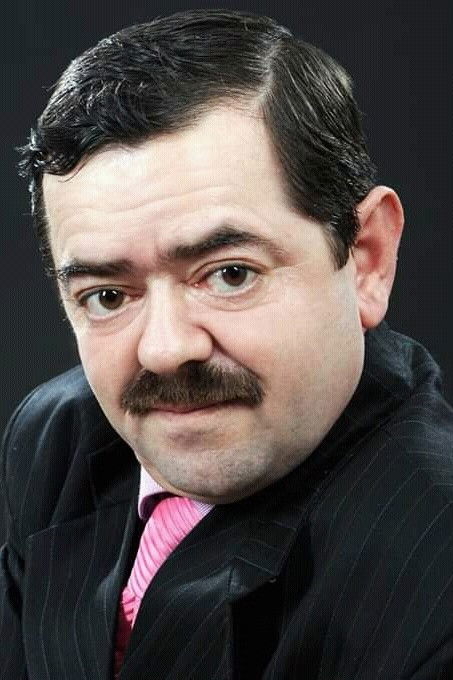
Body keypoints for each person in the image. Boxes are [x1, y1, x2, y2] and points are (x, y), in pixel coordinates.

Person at [1, 8, 453, 679]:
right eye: (108, 295)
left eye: (230, 274)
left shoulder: (434, 577)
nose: (164, 350)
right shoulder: (54, 435)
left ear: (365, 258)